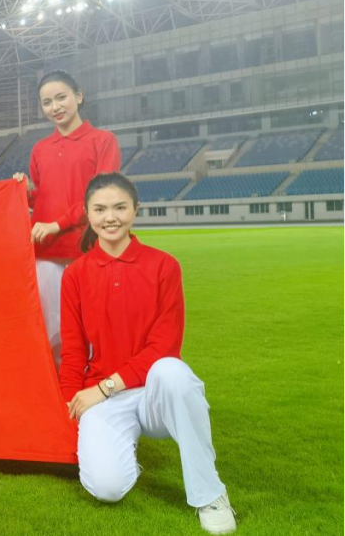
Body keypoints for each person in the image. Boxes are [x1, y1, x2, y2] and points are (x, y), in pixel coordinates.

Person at [60, 172, 236, 535]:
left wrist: (105, 386)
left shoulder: (164, 265)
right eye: (100, 209)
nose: (110, 217)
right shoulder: (75, 275)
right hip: (105, 400)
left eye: (120, 207)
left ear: (136, 210)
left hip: (154, 393)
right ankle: (123, 452)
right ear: (87, 214)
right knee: (107, 488)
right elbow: (73, 350)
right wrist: (70, 403)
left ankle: (210, 494)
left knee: (172, 371)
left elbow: (164, 346)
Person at [13, 70, 121, 366]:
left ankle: (96, 387)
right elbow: (42, 196)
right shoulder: (40, 149)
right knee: (50, 334)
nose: (55, 107)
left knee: (93, 329)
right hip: (45, 252)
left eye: (61, 97)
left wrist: (56, 224)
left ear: (79, 96)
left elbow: (102, 198)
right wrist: (24, 191)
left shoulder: (103, 140)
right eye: (47, 102)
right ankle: (61, 389)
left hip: (88, 250)